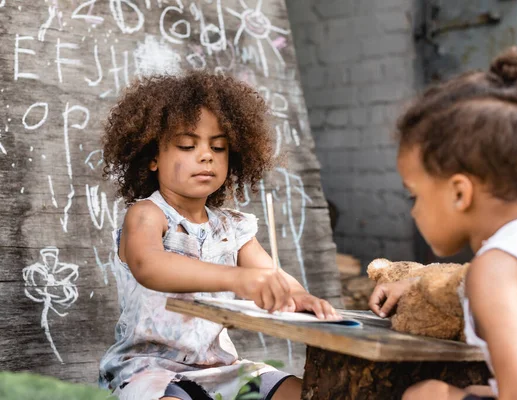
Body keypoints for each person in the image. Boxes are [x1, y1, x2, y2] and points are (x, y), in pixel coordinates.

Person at [369, 46, 517, 400]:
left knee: (425, 396)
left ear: (460, 193)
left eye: (414, 196)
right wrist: (414, 284)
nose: (413, 212)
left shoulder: (493, 272)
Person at [98, 71, 340, 400]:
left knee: (303, 394)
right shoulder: (147, 215)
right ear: (153, 157)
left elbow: (270, 273)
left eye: (218, 146)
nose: (206, 155)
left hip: (221, 369)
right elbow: (149, 264)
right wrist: (238, 279)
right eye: (187, 145)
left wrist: (297, 295)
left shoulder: (232, 227)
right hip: (149, 371)